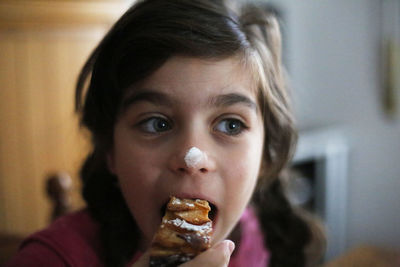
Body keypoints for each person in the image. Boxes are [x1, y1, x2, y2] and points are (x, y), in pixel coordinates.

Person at [6, 0, 325, 266]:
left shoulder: (260, 237)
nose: (192, 157)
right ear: (111, 152)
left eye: (231, 125)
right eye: (156, 123)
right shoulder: (49, 259)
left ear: (266, 155)